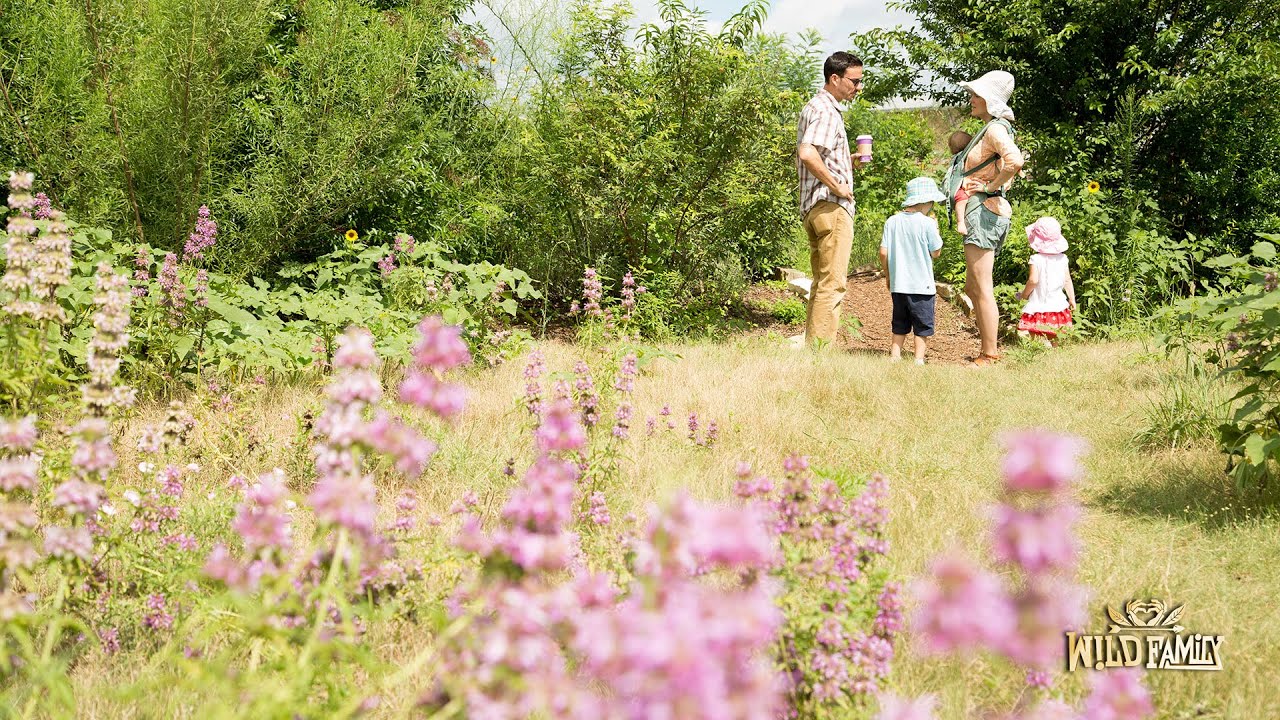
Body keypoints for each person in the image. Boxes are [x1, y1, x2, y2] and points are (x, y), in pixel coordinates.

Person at [796, 52, 864, 347]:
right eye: (855, 81)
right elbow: (807, 153)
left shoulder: (814, 107)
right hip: (831, 207)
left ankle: (814, 348)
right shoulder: (826, 110)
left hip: (814, 207)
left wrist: (846, 162)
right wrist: (838, 185)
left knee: (821, 283)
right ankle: (819, 356)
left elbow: (817, 154)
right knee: (833, 284)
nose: (859, 87)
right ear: (835, 79)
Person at [958, 70, 1024, 367]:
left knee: (982, 287)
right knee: (972, 287)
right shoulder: (990, 129)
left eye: (976, 95)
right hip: (984, 211)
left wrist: (988, 186)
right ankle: (987, 339)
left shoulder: (996, 129)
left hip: (985, 210)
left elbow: (1015, 161)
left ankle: (989, 353)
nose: (971, 99)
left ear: (990, 100)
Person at [879, 177, 945, 365]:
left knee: (899, 322)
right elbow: (936, 252)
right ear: (926, 202)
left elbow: (883, 253)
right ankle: (918, 359)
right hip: (922, 286)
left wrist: (888, 275)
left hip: (899, 284)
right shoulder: (927, 223)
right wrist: (936, 229)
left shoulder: (892, 221)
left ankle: (895, 355)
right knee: (922, 325)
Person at [1017, 216, 1076, 344]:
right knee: (1056, 340)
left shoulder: (1036, 259)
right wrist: (1072, 298)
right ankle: (1054, 358)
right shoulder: (1063, 258)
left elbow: (1033, 280)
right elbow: (1067, 280)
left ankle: (1039, 356)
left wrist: (1024, 294)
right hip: (1058, 307)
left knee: (1036, 341)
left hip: (1038, 307)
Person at [947, 131, 974, 235]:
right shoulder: (962, 157)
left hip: (959, 186)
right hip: (958, 189)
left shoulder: (959, 157)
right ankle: (960, 223)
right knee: (962, 200)